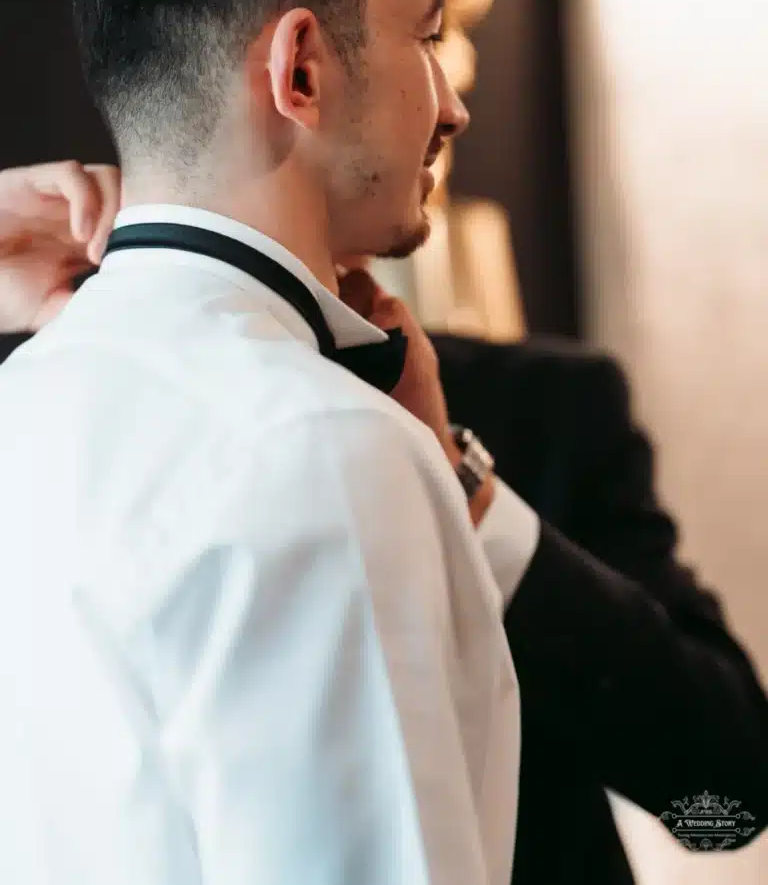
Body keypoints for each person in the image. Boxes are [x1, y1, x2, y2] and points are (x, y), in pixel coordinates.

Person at [0, 0, 540, 885]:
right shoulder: (324, 446)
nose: (455, 108)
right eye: (425, 32)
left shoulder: (26, 398)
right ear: (300, 70)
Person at [4, 156, 768, 885]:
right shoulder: (64, 414)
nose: (450, 105)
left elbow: (727, 804)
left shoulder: (550, 408)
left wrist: (463, 486)